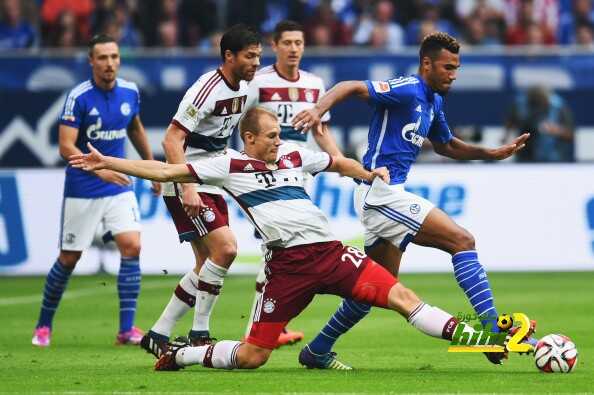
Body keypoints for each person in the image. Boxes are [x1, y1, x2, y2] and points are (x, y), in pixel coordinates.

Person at [69, 106, 505, 372]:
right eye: (272, 135)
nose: (280, 141)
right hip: (288, 269)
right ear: (250, 138)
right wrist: (106, 159)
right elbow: (166, 171)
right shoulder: (228, 165)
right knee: (254, 357)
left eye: (281, 134)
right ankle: (181, 355)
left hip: (333, 256)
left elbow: (336, 162)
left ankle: (478, 339)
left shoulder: (295, 155)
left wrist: (368, 172)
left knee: (402, 297)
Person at [292, 32, 534, 365]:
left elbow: (446, 145)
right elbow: (351, 86)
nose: (453, 74)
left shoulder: (433, 101)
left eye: (457, 68)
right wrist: (318, 109)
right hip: (380, 191)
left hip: (386, 194)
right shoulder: (407, 89)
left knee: (374, 289)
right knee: (462, 241)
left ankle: (317, 350)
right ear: (427, 63)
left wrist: (490, 153)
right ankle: (492, 331)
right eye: (447, 67)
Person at [139, 24, 262, 357]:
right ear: (229, 56)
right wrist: (188, 187)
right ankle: (199, 334)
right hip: (189, 178)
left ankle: (159, 333)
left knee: (206, 262)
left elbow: (220, 141)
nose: (256, 63)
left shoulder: (247, 89)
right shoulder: (206, 89)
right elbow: (171, 139)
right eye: (250, 56)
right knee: (226, 250)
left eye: (258, 57)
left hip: (213, 175)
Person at [32, 34, 160, 347]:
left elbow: (135, 127)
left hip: (118, 186)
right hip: (84, 187)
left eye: (114, 57)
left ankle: (126, 329)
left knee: (131, 246)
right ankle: (43, 325)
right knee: (69, 258)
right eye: (102, 58)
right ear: (91, 61)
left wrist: (151, 165)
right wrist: (102, 171)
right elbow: (65, 146)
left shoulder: (130, 91)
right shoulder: (79, 97)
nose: (109, 63)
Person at [243, 20, 345, 350]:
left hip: (300, 175)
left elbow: (320, 131)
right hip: (266, 176)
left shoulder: (315, 84)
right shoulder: (259, 82)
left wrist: (339, 162)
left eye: (299, 42)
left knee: (287, 250)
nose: (293, 48)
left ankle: (272, 326)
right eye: (287, 42)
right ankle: (258, 331)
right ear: (275, 46)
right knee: (275, 249)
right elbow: (242, 125)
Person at [505, 85, 574, 162]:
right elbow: (510, 123)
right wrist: (506, 137)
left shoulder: (559, 107)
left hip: (552, 158)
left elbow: (571, 134)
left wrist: (556, 130)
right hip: (524, 157)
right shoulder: (520, 105)